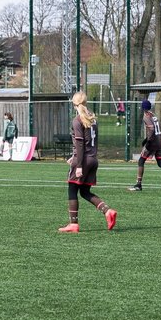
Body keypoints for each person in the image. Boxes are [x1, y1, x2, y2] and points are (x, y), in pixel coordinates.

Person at [59, 91, 116, 233]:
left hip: (83, 161)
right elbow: (90, 142)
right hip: (92, 159)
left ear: (74, 105)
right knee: (84, 191)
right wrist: (76, 156)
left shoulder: (77, 120)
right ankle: (107, 211)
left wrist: (78, 164)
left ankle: (73, 224)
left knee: (72, 190)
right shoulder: (93, 119)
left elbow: (79, 143)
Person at [128, 99, 161, 192]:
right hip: (158, 140)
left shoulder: (146, 116)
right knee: (160, 162)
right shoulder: (153, 115)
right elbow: (158, 127)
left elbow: (152, 129)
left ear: (143, 107)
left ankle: (138, 184)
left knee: (141, 161)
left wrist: (147, 140)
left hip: (152, 141)